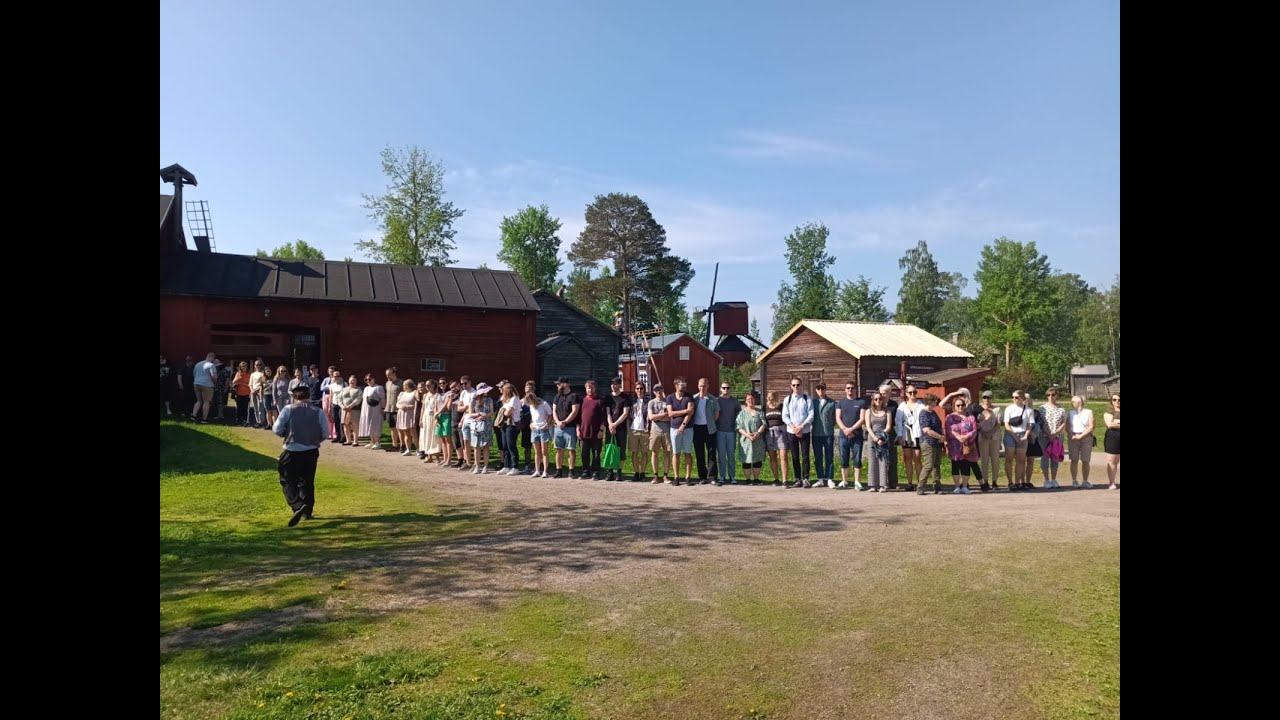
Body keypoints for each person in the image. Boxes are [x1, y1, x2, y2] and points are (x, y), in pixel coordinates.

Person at [273, 384, 330, 527]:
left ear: (293, 397)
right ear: (309, 397)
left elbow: (277, 429)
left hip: (292, 449)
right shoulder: (318, 411)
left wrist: (284, 434)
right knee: (307, 480)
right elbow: (325, 433)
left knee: (287, 480)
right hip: (311, 451)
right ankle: (307, 511)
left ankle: (297, 505)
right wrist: (315, 440)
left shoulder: (288, 409)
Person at [1067, 395, 1095, 488]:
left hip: (1086, 437)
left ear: (1080, 403)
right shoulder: (1070, 413)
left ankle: (1085, 481)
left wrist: (1081, 435)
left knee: (1085, 460)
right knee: (1074, 459)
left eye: (1073, 401)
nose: (1072, 403)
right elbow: (1067, 426)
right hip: (1073, 437)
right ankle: (1074, 480)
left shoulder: (1089, 412)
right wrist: (1073, 435)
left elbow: (1091, 426)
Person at [1103, 393, 1120, 490]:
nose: (1117, 402)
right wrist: (1115, 422)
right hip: (1112, 438)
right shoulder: (1108, 412)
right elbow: (1109, 424)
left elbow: (1113, 423)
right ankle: (1112, 482)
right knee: (1112, 461)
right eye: (1114, 399)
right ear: (1111, 401)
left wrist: (1116, 422)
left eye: (1119, 399)